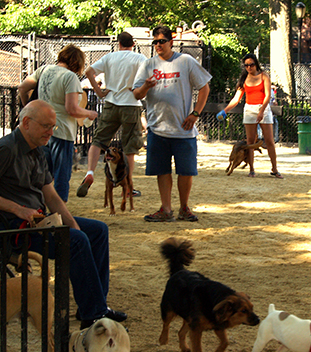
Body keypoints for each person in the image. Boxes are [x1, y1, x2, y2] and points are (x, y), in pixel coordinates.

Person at [0, 100, 127, 329]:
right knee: (77, 242)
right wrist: (18, 209)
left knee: (97, 231)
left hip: (37, 221)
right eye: (46, 126)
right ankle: (95, 316)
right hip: (11, 228)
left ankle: (93, 305)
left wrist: (72, 223)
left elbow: (51, 196)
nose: (51, 132)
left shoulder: (38, 150)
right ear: (26, 123)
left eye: (53, 127)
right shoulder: (6, 149)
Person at [133, 25, 211, 222]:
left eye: (161, 41)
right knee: (162, 170)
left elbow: (204, 88)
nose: (158, 45)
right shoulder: (148, 64)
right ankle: (166, 209)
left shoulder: (185, 61)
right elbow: (136, 94)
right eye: (155, 42)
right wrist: (146, 86)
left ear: (171, 42)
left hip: (183, 129)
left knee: (185, 171)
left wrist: (195, 113)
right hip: (158, 127)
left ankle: (184, 207)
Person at [18, 44, 98, 202]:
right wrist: (90, 113)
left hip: (40, 131)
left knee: (41, 175)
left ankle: (36, 206)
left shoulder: (44, 70)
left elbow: (22, 87)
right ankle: (60, 214)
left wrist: (28, 108)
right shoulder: (70, 77)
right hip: (61, 131)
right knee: (62, 177)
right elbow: (72, 109)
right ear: (77, 63)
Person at [76, 31, 147, 198]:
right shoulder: (139, 58)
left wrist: (99, 92)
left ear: (118, 44)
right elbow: (150, 75)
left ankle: (90, 173)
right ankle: (128, 187)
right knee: (129, 147)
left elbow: (88, 72)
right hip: (131, 104)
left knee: (99, 140)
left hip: (111, 103)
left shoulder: (109, 57)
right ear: (133, 44)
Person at [218, 54, 283, 178]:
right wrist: (224, 111)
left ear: (256, 64)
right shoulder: (244, 79)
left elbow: (267, 95)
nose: (249, 67)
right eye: (246, 65)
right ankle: (252, 169)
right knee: (250, 141)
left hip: (263, 107)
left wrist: (261, 111)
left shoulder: (264, 76)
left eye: (251, 64)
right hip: (249, 108)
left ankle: (274, 168)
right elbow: (236, 98)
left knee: (269, 140)